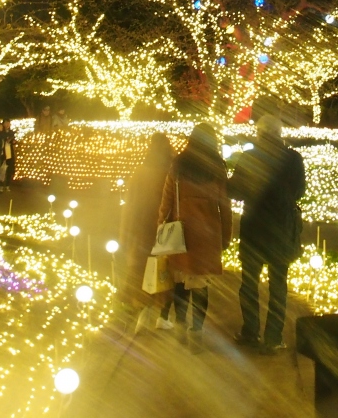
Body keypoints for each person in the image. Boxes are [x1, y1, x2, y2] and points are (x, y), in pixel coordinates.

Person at [227, 115, 305, 354]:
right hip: (281, 229)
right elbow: (300, 191)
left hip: (254, 228)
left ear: (259, 133)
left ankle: (251, 331)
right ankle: (274, 336)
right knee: (278, 284)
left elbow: (235, 191)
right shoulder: (293, 159)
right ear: (279, 133)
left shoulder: (249, 157)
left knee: (249, 283)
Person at [158, 122, 232, 353]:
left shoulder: (178, 164)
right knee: (201, 286)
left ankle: (180, 327)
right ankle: (196, 333)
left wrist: (161, 227)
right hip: (207, 234)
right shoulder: (217, 167)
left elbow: (167, 200)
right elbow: (225, 205)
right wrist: (226, 236)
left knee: (181, 282)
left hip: (182, 232)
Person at [120, 133, 177, 332]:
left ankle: (142, 314)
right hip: (164, 228)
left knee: (141, 270)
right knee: (165, 271)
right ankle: (162, 316)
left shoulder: (140, 172)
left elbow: (130, 204)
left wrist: (126, 231)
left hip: (141, 227)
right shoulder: (170, 172)